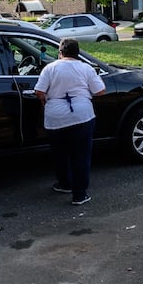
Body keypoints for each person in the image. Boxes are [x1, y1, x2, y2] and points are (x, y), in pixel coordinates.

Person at [33, 37, 105, 205]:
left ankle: (65, 184)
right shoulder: (85, 68)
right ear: (77, 53)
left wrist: (45, 101)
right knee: (81, 156)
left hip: (55, 118)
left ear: (60, 53)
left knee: (60, 154)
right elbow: (100, 91)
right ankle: (79, 195)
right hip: (82, 116)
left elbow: (39, 91)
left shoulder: (49, 68)